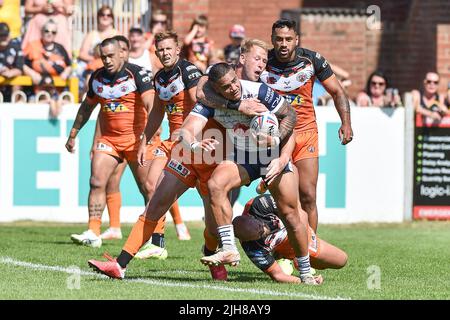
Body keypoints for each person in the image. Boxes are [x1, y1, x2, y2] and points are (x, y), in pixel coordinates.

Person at [257, 19, 353, 233]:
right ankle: (285, 247)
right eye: (279, 39)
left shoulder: (311, 59)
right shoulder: (263, 61)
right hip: (276, 135)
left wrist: (346, 123)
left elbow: (337, 91)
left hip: (306, 132)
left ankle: (310, 250)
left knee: (308, 195)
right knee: (284, 199)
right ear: (272, 40)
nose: (283, 44)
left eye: (288, 39)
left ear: (296, 40)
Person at [65, 37, 159, 248]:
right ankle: (93, 231)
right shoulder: (97, 78)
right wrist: (73, 133)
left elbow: (151, 104)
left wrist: (149, 134)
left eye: (110, 56)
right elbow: (87, 108)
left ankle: (154, 238)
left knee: (148, 188)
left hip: (137, 140)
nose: (106, 60)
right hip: (109, 140)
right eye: (103, 57)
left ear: (122, 54)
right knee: (97, 181)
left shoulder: (137, 74)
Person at [233, 194, 347, 283]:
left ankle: (300, 261)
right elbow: (277, 275)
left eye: (260, 227)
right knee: (290, 268)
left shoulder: (260, 204)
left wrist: (302, 252)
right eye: (260, 235)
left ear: (253, 218)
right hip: (283, 249)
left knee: (341, 260)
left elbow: (299, 213)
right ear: (248, 240)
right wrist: (302, 281)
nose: (265, 231)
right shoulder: (251, 248)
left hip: (300, 233)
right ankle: (283, 258)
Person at [23, 18, 71, 118]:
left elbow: (69, 65)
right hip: (36, 90)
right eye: (47, 31)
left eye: (53, 32)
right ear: (42, 32)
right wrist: (31, 73)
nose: (50, 34)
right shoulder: (32, 46)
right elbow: (21, 64)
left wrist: (66, 71)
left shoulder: (60, 48)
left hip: (58, 91)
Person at [0, 22, 24, 102]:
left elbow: (20, 68)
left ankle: (14, 108)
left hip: (11, 86)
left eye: (5, 35)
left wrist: (10, 72)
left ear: (9, 35)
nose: (4, 38)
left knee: (17, 82)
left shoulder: (15, 47)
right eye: (1, 35)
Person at [144, 9, 168, 73]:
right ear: (152, 23)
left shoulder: (169, 38)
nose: (159, 25)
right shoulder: (147, 36)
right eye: (156, 22)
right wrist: (153, 35)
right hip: (151, 70)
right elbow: (143, 50)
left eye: (162, 23)